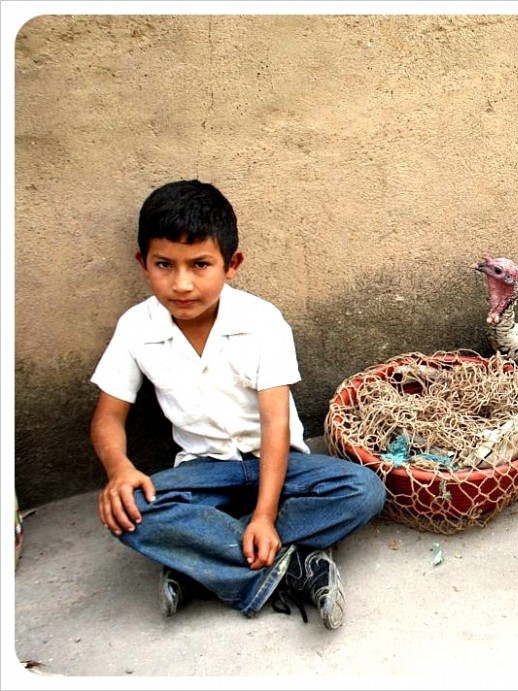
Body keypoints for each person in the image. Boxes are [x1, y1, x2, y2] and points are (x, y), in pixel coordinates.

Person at [90, 179, 386, 630]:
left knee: (363, 491)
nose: (182, 283)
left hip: (279, 463)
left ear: (232, 264)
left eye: (201, 264)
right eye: (164, 264)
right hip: (205, 470)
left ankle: (201, 558)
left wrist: (266, 515)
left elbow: (275, 426)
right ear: (142, 263)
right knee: (128, 512)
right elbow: (107, 418)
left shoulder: (262, 322)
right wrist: (119, 469)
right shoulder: (136, 328)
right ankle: (293, 566)